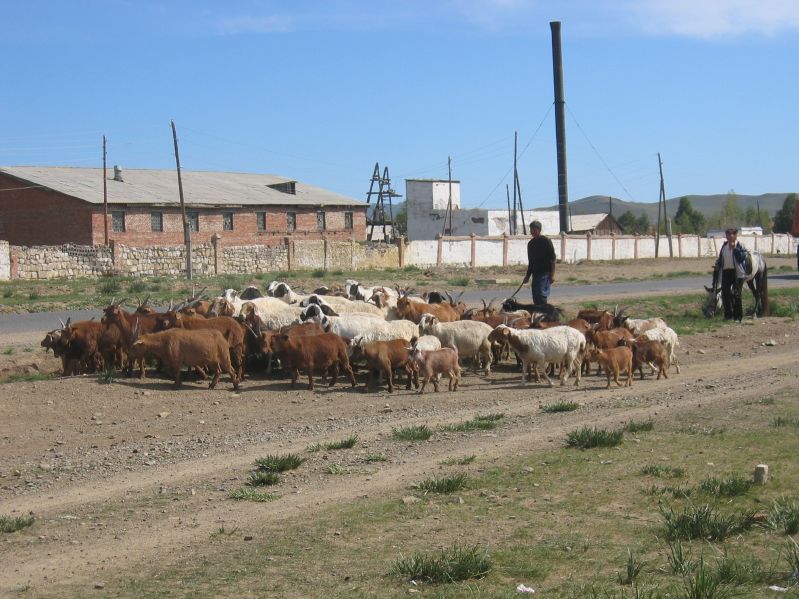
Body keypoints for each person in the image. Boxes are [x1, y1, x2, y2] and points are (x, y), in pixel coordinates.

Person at [714, 227, 747, 322]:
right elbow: (721, 258)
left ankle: (738, 317)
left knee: (736, 295)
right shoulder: (724, 246)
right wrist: (717, 265)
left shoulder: (740, 245)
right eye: (727, 234)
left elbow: (741, 258)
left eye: (731, 234)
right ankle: (728, 315)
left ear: (735, 236)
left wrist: (735, 249)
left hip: (737, 273)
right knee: (725, 294)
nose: (729, 236)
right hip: (726, 272)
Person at [522, 220, 556, 305]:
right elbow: (531, 262)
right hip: (535, 274)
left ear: (539, 230)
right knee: (535, 297)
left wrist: (552, 275)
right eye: (531, 229)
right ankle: (538, 315)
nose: (532, 231)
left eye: (534, 229)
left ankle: (545, 315)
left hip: (545, 274)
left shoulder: (546, 241)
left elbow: (553, 259)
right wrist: (527, 276)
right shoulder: (530, 244)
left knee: (541, 296)